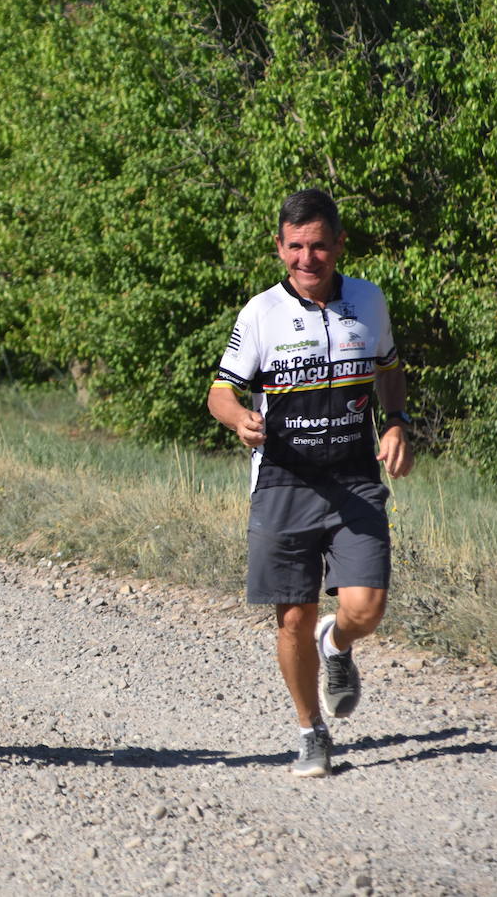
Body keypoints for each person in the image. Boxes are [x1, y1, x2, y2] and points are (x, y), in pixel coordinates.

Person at [208, 188, 413, 778]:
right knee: (291, 615)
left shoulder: (369, 302)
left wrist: (396, 422)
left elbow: (389, 369)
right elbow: (220, 392)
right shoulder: (260, 314)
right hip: (283, 480)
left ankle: (338, 646)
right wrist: (239, 417)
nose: (307, 259)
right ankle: (310, 731)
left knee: (366, 607)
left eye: (319, 246)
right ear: (279, 248)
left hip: (354, 474)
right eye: (295, 246)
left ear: (339, 245)